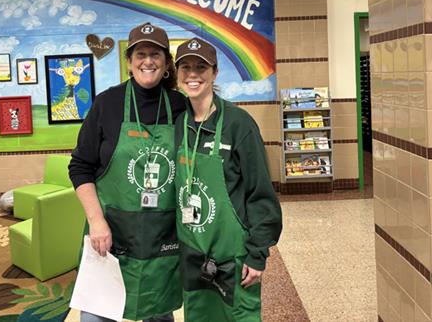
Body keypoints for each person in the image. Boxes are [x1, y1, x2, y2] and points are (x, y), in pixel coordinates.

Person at [69, 22, 186, 322]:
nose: (148, 61)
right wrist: (96, 221)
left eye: (155, 54)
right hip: (110, 234)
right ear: (129, 61)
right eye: (140, 54)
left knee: (158, 315)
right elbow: (80, 166)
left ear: (166, 63)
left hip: (162, 236)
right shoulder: (107, 103)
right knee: (97, 316)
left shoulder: (180, 107)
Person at [173, 37, 282, 321]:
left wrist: (257, 255)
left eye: (201, 67)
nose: (193, 74)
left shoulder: (239, 124)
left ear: (215, 72)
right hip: (193, 256)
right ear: (177, 74)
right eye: (186, 67)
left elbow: (260, 194)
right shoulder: (177, 124)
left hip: (233, 258)